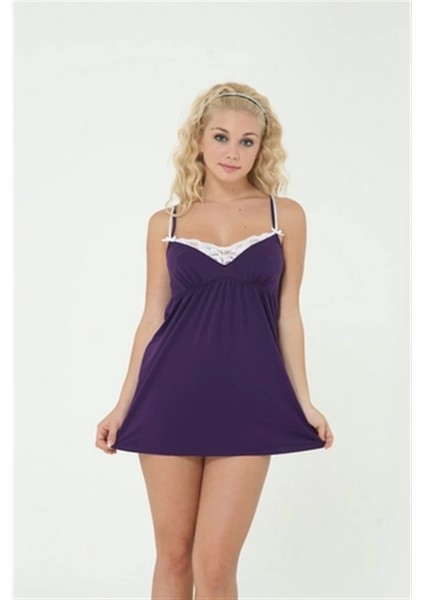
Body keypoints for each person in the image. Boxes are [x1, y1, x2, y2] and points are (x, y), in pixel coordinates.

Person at [95, 81, 334, 599]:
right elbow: (151, 318)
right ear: (199, 140)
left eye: (248, 141)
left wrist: (305, 402)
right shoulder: (166, 222)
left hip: (251, 400)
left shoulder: (285, 215)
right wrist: (121, 405)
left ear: (262, 147)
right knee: (174, 557)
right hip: (168, 397)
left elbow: (288, 314)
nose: (233, 152)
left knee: (216, 565)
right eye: (221, 137)